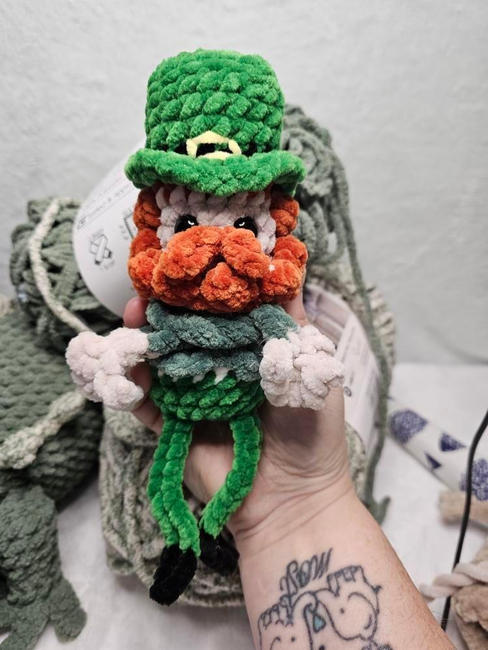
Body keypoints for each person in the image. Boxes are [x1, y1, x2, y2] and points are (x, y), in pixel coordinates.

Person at [124, 292, 454, 650]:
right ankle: (186, 543)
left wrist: (300, 502)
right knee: (169, 479)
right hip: (196, 401)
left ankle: (200, 537)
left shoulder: (260, 323)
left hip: (234, 403)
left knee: (191, 472)